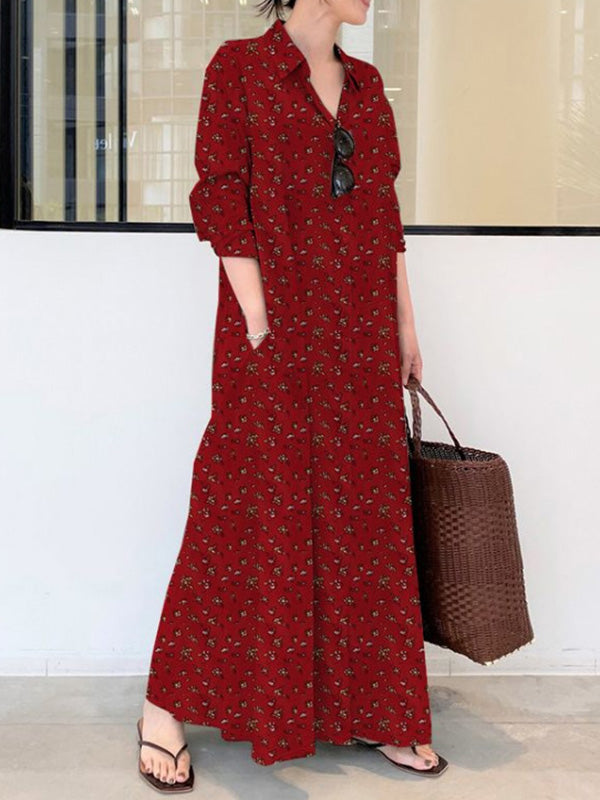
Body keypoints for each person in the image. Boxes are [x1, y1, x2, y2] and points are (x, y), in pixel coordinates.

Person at [136, 0, 449, 791]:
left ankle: (373, 709)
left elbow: (384, 218)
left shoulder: (368, 90)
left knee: (363, 516)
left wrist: (406, 326)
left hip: (360, 340)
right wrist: (258, 322)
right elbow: (221, 197)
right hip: (272, 335)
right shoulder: (239, 70)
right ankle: (164, 707)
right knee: (239, 508)